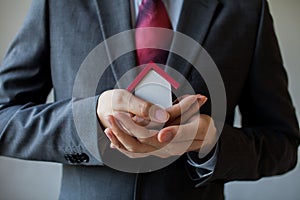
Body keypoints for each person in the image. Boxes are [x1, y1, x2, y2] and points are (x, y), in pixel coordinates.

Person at [0, 0, 299, 200]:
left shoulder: (246, 8)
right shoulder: (58, 4)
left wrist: (212, 141)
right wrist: (89, 118)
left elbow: (282, 144)